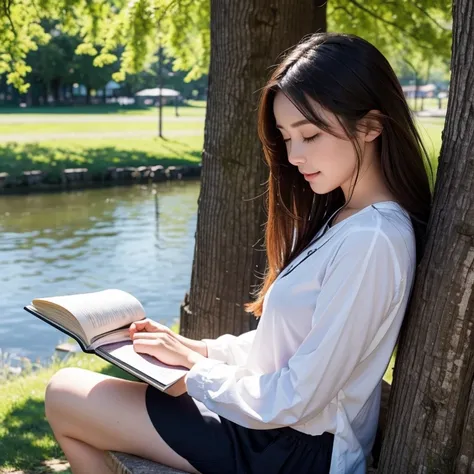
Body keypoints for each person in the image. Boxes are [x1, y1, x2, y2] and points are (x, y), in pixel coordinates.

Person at [44, 32, 433, 474]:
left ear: (371, 126)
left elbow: (301, 394)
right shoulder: (345, 217)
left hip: (295, 450)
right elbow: (290, 346)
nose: (295, 156)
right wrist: (201, 349)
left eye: (309, 135)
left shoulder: (374, 239)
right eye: (286, 137)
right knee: (70, 396)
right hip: (272, 428)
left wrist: (194, 373)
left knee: (65, 394)